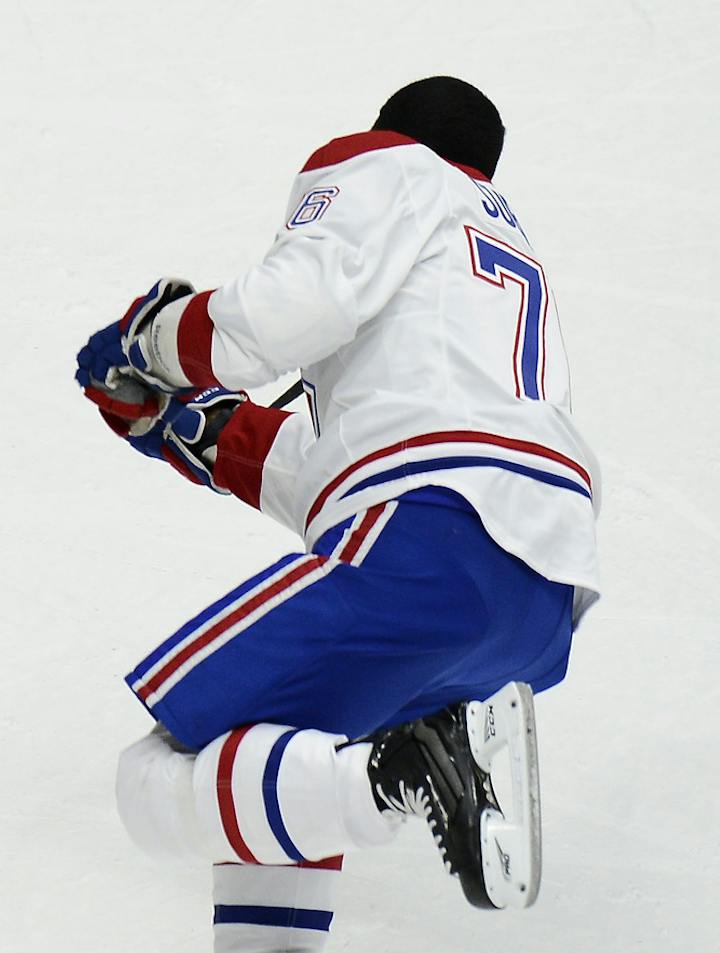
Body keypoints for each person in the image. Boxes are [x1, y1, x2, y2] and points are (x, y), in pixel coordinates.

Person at [74, 76, 600, 950]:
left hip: (433, 536)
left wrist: (153, 339)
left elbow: (281, 313)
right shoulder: (493, 259)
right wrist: (200, 430)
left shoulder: (391, 166)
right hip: (537, 601)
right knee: (281, 749)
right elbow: (366, 464)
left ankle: (398, 770)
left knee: (155, 778)